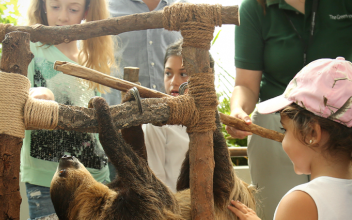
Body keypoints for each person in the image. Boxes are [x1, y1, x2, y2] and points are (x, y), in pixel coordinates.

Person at [228, 0, 352, 218]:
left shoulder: (297, 202)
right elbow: (245, 84)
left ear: (312, 134)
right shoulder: (254, 8)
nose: (282, 137)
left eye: (283, 132)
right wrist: (238, 110)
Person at [22, 0, 115, 219]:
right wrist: (36, 93)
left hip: (96, 177)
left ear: (86, 11)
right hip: (47, 179)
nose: (63, 17)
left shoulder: (92, 57)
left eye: (73, 9)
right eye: (55, 6)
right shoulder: (29, 49)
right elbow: (14, 94)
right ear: (43, 6)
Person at [103, 0, 185, 180]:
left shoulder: (183, 8)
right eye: (169, 74)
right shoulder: (106, 9)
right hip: (121, 136)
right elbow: (93, 61)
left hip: (174, 131)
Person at [142, 40, 214, 192]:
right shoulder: (156, 123)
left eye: (183, 74)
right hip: (173, 210)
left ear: (205, 79)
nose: (174, 82)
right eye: (168, 73)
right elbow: (156, 182)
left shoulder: (210, 119)